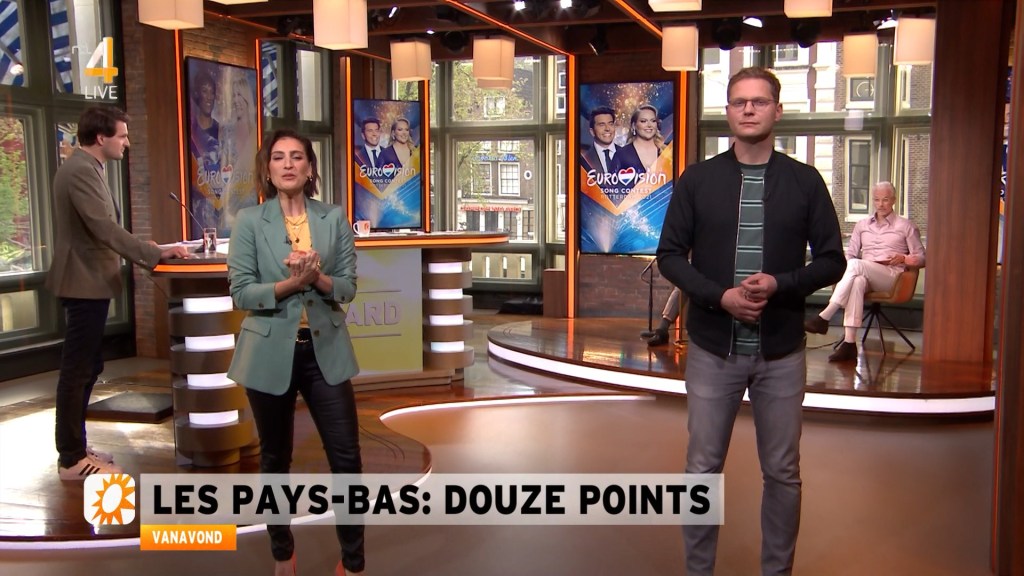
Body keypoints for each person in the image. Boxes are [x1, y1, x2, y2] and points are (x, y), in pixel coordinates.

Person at [656, 67, 845, 576]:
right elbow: (670, 255)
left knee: (782, 472)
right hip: (712, 349)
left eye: (759, 102)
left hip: (780, 352)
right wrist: (720, 297)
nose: (748, 109)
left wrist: (781, 284)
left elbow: (833, 260)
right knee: (701, 471)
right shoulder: (698, 180)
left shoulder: (805, 181)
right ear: (728, 112)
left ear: (777, 111)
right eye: (739, 101)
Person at [227, 129, 365, 576]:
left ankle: (353, 562)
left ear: (310, 169)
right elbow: (241, 293)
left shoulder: (333, 218)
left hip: (324, 353)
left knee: (346, 458)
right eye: (279, 157)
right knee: (274, 458)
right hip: (269, 352)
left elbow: (347, 287)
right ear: (267, 170)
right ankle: (282, 552)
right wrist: (291, 284)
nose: (288, 164)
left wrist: (317, 278)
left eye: (297, 157)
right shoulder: (250, 221)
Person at [46, 106, 189, 480]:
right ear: (101, 137)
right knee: (78, 370)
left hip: (90, 282)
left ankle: (77, 448)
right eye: (122, 136)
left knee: (89, 367)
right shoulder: (80, 170)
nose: (127, 142)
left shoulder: (89, 167)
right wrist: (151, 254)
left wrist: (154, 248)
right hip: (82, 282)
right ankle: (71, 458)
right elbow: (104, 229)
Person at [804, 181, 926, 362]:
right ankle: (849, 344)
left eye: (885, 200)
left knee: (856, 265)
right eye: (877, 200)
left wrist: (904, 258)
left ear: (893, 200)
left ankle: (825, 316)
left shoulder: (906, 226)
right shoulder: (862, 225)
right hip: (864, 273)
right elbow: (850, 254)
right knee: (857, 280)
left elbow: (922, 258)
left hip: (892, 277)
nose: (880, 204)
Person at [613, 104, 665, 174]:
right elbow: (610, 180)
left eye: (653, 121)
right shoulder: (621, 155)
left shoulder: (667, 152)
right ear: (634, 125)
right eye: (643, 121)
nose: (649, 125)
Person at [581, 106, 619, 174]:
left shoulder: (628, 155)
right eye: (602, 125)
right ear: (592, 132)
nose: (607, 129)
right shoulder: (584, 160)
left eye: (610, 124)